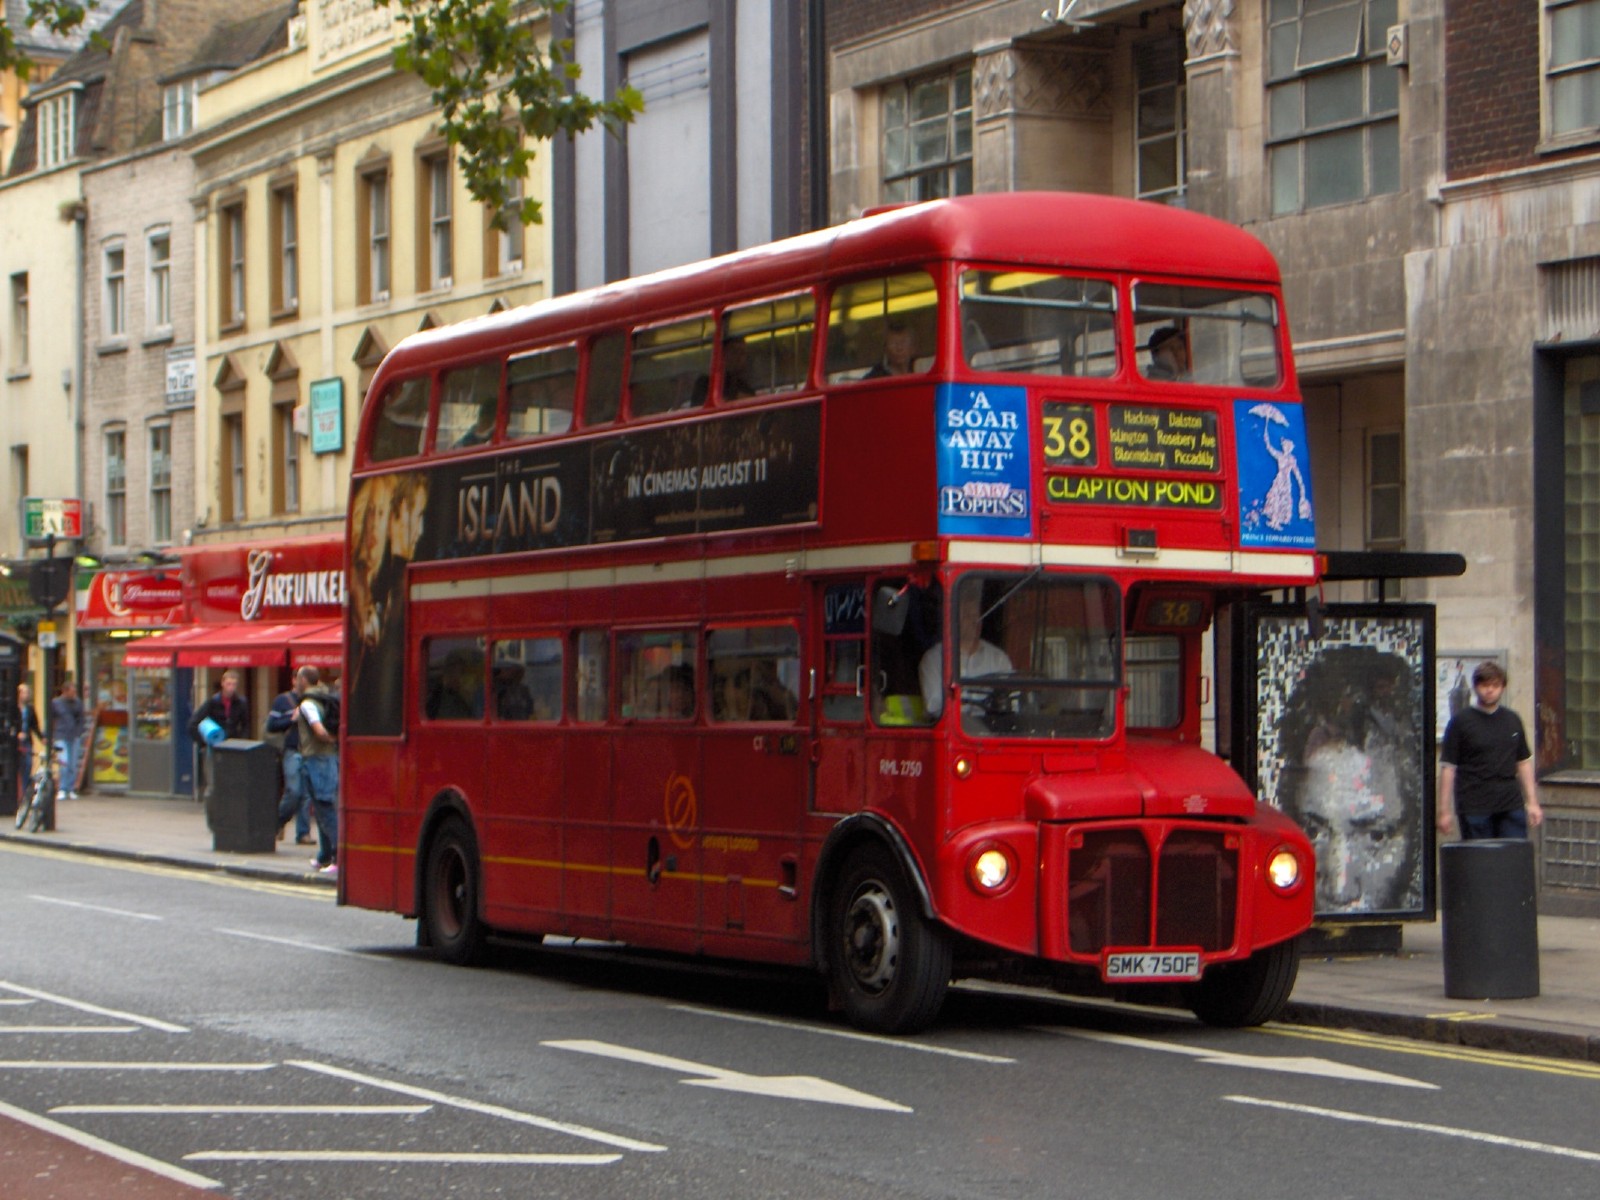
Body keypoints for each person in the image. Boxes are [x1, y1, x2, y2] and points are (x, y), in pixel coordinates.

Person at [1438, 660, 1543, 841]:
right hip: (1474, 805)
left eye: (1495, 685)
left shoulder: (1512, 719)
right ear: (1476, 687)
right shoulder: (1460, 722)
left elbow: (1523, 762)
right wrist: (1444, 810)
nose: (1489, 690)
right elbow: (1448, 767)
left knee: (1511, 859)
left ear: (1502, 687)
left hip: (1510, 803)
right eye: (1484, 685)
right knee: (1479, 862)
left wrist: (1532, 802)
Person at [919, 588, 1012, 719]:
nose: (974, 620)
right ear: (953, 620)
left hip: (992, 734)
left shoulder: (998, 659)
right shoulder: (933, 660)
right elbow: (934, 707)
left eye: (977, 615)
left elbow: (1011, 703)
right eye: (967, 615)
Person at [294, 666, 340, 876]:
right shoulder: (324, 697)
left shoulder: (307, 704)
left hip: (317, 759)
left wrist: (331, 740)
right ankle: (325, 855)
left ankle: (338, 856)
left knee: (325, 808)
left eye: (297, 678)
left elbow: (319, 730)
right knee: (321, 809)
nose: (295, 682)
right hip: (327, 758)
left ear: (304, 680)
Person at [188, 670, 250, 798]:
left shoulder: (241, 703)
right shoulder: (212, 702)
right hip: (213, 746)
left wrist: (241, 741)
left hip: (232, 746)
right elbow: (193, 724)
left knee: (232, 782)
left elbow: (246, 725)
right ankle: (213, 813)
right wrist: (204, 742)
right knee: (213, 784)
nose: (231, 688)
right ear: (223, 683)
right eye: (228, 684)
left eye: (234, 685)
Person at [268, 677, 314, 846]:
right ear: (294, 680)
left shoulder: (312, 701)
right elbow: (271, 726)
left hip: (309, 751)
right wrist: (291, 719)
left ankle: (303, 833)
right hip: (292, 749)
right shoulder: (282, 700)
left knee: (306, 794)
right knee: (293, 791)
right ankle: (277, 823)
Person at [49, 678, 86, 800]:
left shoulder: (77, 703)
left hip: (73, 736)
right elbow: (51, 719)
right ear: (65, 691)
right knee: (64, 763)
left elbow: (81, 718)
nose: (74, 693)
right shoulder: (56, 703)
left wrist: (79, 732)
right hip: (60, 735)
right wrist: (51, 734)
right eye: (72, 691)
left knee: (72, 764)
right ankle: (62, 788)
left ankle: (70, 788)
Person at [14, 683, 44, 806]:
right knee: (15, 767)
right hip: (14, 742)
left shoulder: (30, 709)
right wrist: (16, 734)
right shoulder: (13, 708)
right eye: (24, 692)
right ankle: (15, 794)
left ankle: (25, 794)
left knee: (28, 765)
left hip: (26, 741)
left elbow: (34, 725)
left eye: (28, 692)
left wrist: (42, 738)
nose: (27, 695)